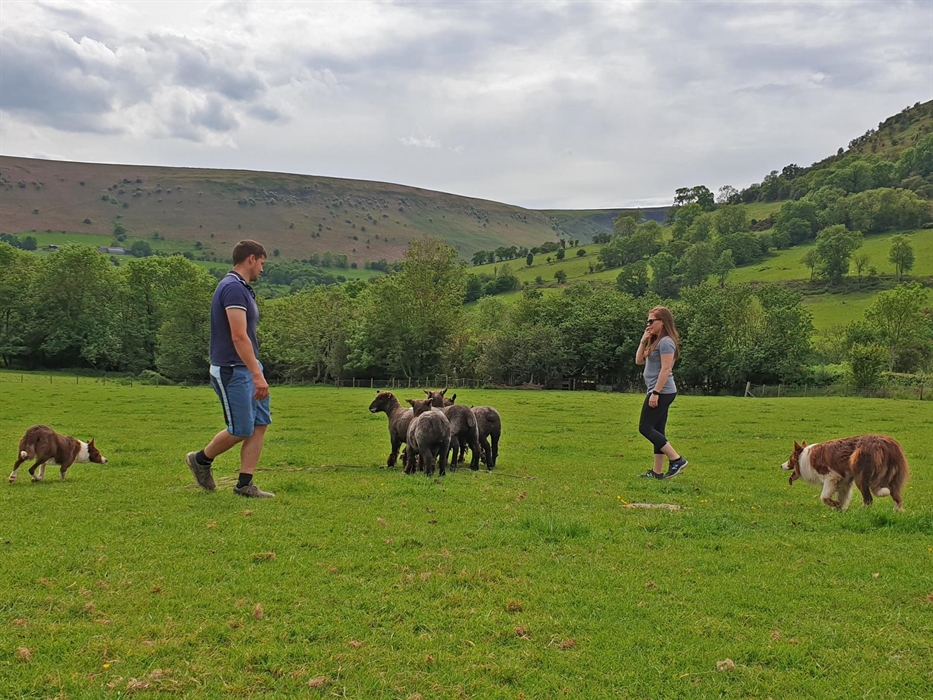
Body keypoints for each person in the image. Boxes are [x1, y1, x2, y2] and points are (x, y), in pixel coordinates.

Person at [186, 240, 274, 498]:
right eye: (262, 263)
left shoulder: (243, 289)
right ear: (251, 259)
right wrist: (257, 375)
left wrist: (256, 368)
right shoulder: (233, 288)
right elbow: (238, 336)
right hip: (232, 369)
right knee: (241, 428)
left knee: (260, 423)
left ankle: (244, 484)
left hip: (248, 365)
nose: (262, 269)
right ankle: (200, 460)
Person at [634, 306, 688, 479]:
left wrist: (656, 392)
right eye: (647, 321)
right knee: (658, 430)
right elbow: (639, 361)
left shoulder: (666, 342)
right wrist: (644, 340)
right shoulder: (656, 341)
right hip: (658, 390)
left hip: (662, 391)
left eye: (651, 321)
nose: (648, 324)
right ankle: (657, 472)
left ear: (662, 322)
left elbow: (665, 369)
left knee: (645, 428)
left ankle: (677, 459)